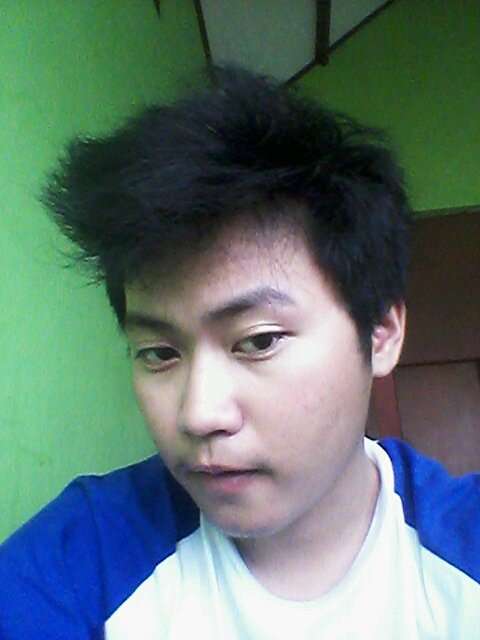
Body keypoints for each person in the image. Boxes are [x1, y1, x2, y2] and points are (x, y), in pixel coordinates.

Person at [0, 67, 478, 639]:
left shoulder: (462, 557)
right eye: (158, 352)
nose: (199, 415)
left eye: (258, 341)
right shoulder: (81, 561)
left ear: (380, 332)